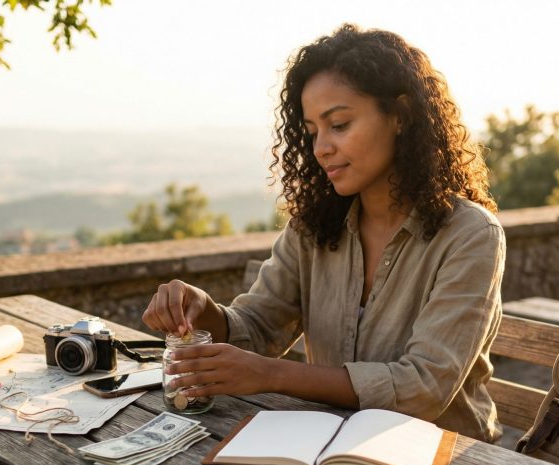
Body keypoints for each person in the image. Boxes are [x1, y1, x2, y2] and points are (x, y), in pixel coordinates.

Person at [142, 24, 505, 442]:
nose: (321, 149)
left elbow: (422, 390)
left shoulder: (470, 234)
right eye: (313, 132)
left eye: (340, 124)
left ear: (401, 116)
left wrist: (272, 375)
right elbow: (258, 330)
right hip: (328, 445)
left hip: (445, 460)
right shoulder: (314, 226)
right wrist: (203, 309)